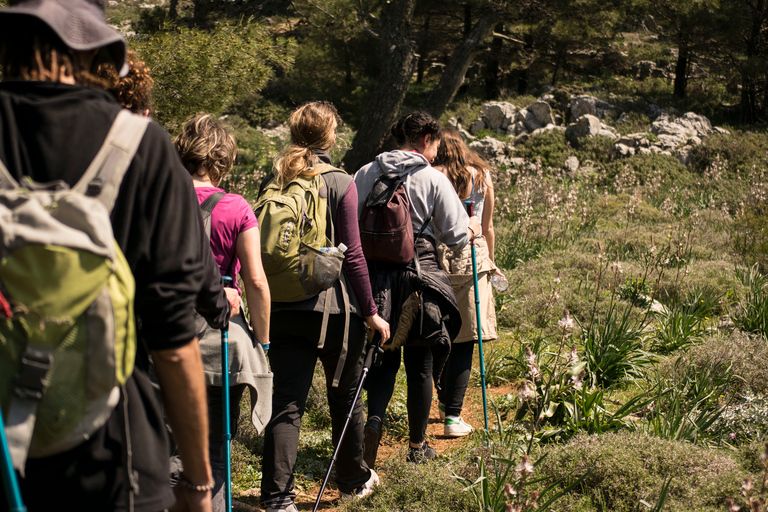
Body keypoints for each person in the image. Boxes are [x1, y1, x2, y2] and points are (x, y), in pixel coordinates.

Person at [0, 1, 215, 511]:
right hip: (110, 452)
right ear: (94, 47)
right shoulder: (141, 145)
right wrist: (198, 483)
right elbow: (172, 336)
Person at [259, 101, 390, 512]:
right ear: (331, 135)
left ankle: (278, 498)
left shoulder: (277, 177)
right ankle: (352, 479)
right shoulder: (340, 181)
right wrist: (370, 310)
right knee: (344, 395)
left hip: (282, 306)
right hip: (336, 313)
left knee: (286, 402)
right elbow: (352, 256)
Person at [354, 111, 482, 466]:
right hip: (420, 278)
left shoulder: (365, 173)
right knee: (421, 364)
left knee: (382, 362)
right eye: (436, 144)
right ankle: (417, 446)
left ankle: (374, 423)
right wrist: (472, 226)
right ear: (426, 137)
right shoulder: (432, 178)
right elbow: (456, 237)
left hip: (374, 279)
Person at [175, 114, 273, 512]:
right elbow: (256, 281)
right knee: (214, 447)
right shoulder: (235, 207)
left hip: (162, 333)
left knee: (166, 445)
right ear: (222, 160)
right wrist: (263, 342)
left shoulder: (160, 198)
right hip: (218, 340)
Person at [432, 127, 500, 437]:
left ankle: (443, 393)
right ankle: (452, 416)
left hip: (435, 255)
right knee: (466, 337)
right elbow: (487, 226)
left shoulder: (431, 175)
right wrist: (491, 260)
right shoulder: (483, 176)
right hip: (472, 255)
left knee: (437, 331)